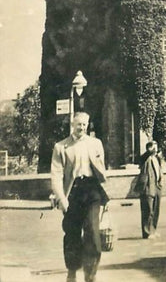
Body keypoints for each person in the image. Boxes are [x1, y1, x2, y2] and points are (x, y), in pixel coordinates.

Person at [51, 112, 108, 282]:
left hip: (92, 190)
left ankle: (90, 273)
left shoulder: (96, 143)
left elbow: (101, 169)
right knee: (72, 233)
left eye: (84, 124)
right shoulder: (61, 147)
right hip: (73, 192)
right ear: (72, 125)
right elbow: (56, 175)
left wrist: (105, 192)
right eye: (78, 124)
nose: (82, 127)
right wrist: (61, 198)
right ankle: (72, 270)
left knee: (93, 232)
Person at [136, 140, 163, 239]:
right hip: (147, 187)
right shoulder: (145, 158)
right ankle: (147, 233)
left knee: (156, 210)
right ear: (148, 149)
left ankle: (153, 230)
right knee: (147, 210)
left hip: (156, 187)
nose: (155, 149)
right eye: (153, 147)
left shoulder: (157, 158)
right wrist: (150, 151)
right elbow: (144, 157)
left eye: (156, 146)